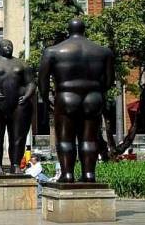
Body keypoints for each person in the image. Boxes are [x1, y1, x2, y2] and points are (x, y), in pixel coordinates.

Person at [38, 18, 114, 183]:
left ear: (68, 30)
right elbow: (108, 81)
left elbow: (42, 81)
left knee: (66, 138)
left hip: (66, 95)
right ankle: (89, 174)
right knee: (89, 138)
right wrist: (97, 91)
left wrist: (46, 99)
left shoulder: (53, 51)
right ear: (84, 29)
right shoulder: (103, 52)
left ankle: (67, 174)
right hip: (93, 96)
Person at [0, 39, 36, 175]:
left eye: (10, 45)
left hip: (19, 103)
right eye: (5, 46)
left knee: (18, 138)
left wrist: (28, 95)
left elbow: (31, 83)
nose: (8, 47)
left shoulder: (22, 65)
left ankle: (16, 164)